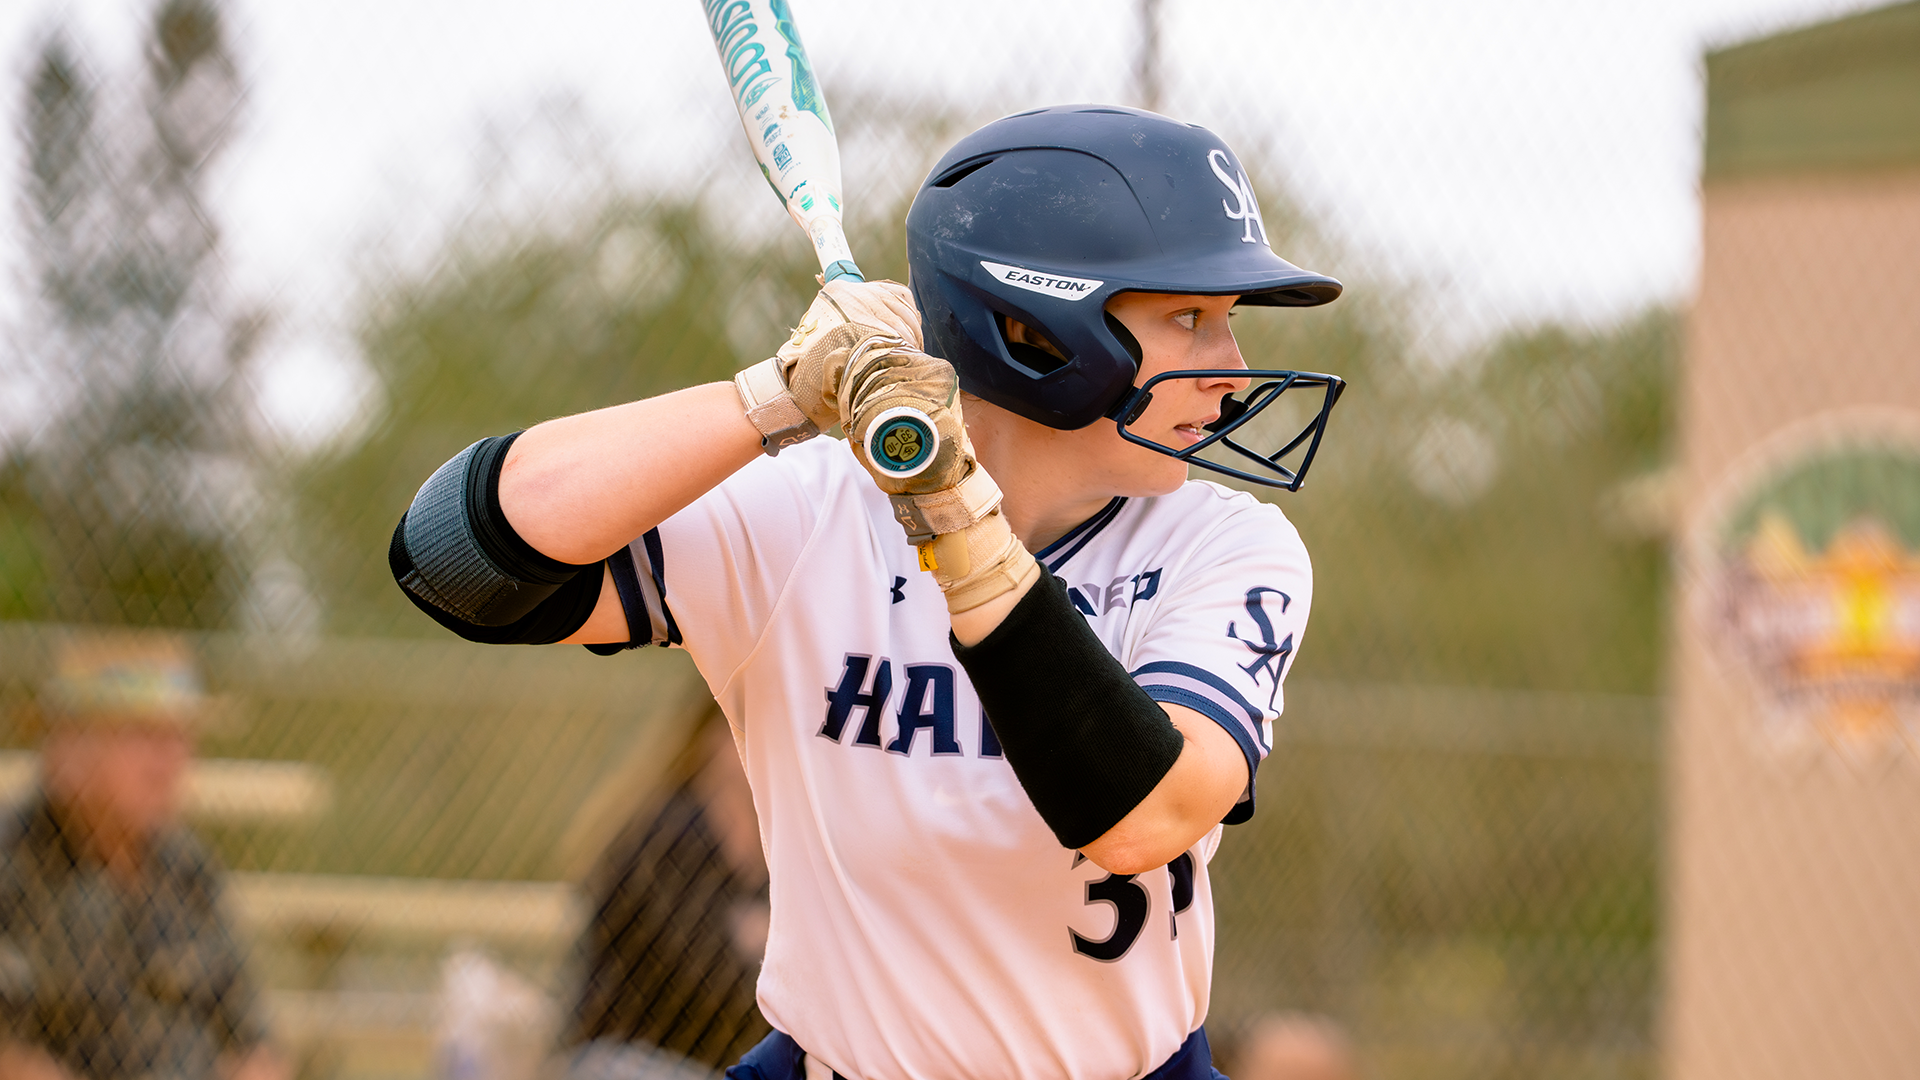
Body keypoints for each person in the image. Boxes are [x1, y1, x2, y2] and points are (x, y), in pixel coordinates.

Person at [391, 105, 1344, 1080]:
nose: (1231, 373)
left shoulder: (1223, 544)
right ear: (1034, 330)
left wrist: (950, 506)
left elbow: (1146, 810)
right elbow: (456, 560)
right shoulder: (810, 514)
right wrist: (773, 396)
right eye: (1190, 318)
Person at [0, 633, 285, 1080]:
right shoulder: (14, 862)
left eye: (180, 737)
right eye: (145, 735)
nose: (170, 760)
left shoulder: (187, 866)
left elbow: (251, 1039)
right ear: (69, 745)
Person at [565, 702, 772, 1074]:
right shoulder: (669, 834)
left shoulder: (775, 852)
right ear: (710, 739)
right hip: (623, 1057)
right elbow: (704, 979)